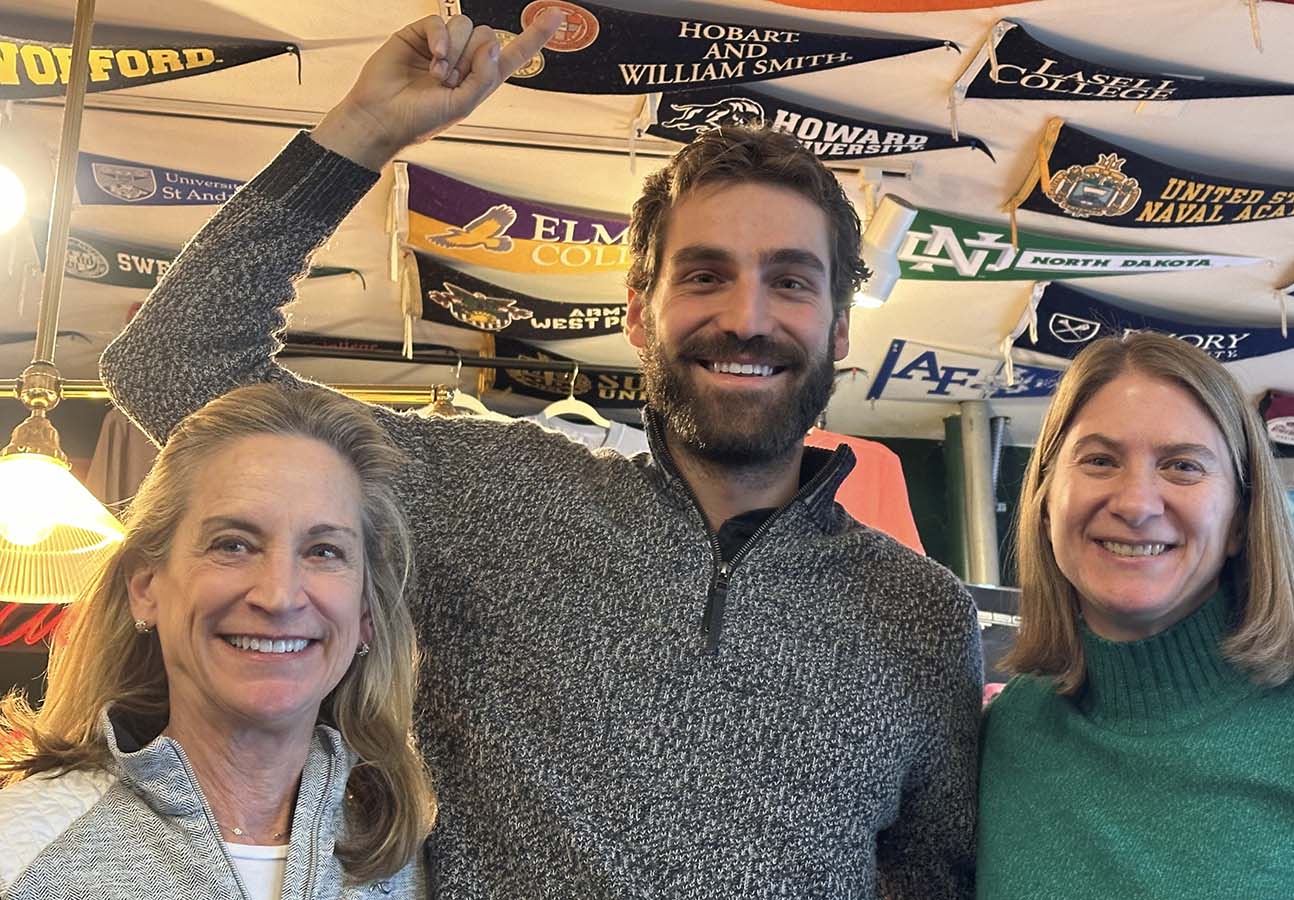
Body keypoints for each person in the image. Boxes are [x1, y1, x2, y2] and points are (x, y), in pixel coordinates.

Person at [97, 13, 981, 899]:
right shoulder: (493, 497)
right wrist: (362, 133)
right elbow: (173, 360)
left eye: (790, 281)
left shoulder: (923, 617)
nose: (747, 317)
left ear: (837, 327)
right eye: (705, 275)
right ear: (639, 315)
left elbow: (931, 884)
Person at [976, 332, 1294, 899]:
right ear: (1045, 498)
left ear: (1240, 519)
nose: (1134, 502)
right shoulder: (1014, 730)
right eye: (1099, 460)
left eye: (1182, 466)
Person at [0, 384, 434, 899]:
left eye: (323, 551)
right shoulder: (21, 851)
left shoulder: (418, 862)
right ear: (146, 587)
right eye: (233, 545)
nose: (279, 596)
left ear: (364, 611)